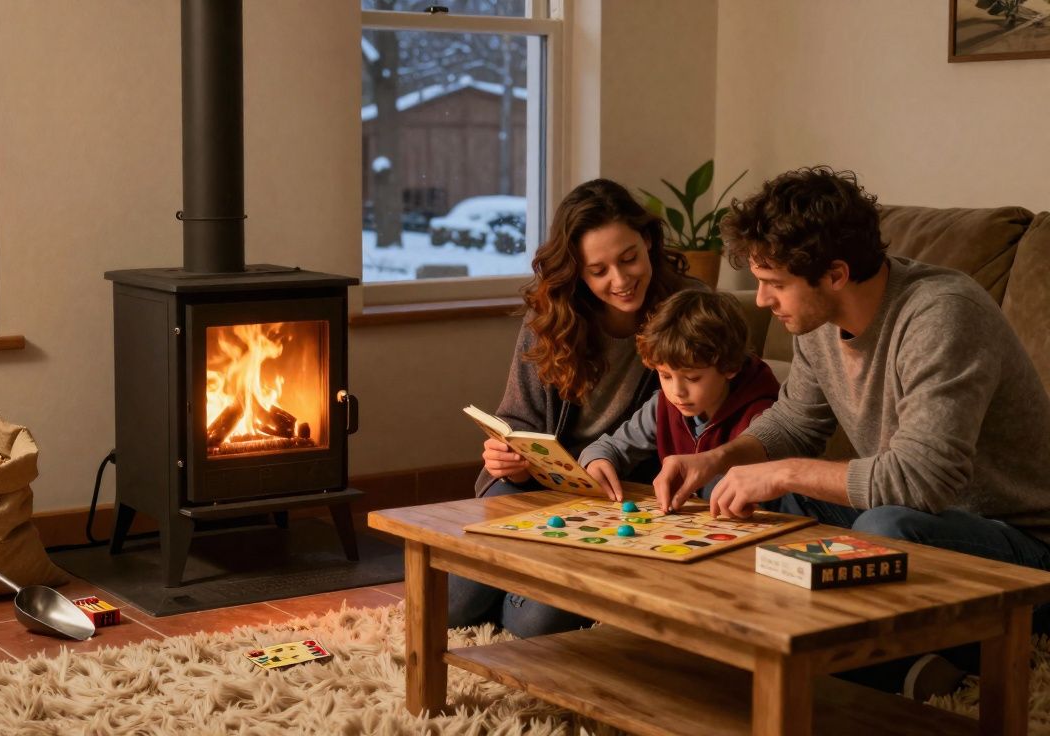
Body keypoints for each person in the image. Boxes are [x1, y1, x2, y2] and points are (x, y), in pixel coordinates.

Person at [653, 165, 1050, 699]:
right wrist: (719, 460)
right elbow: (795, 423)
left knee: (886, 526)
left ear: (835, 275)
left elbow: (922, 483)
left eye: (775, 284)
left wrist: (780, 473)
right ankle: (790, 642)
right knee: (730, 490)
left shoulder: (942, 315)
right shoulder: (817, 323)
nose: (763, 301)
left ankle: (898, 669)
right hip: (925, 517)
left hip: (1020, 543)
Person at [449, 178, 697, 638]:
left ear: (648, 242)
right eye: (599, 270)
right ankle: (521, 576)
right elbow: (518, 420)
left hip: (625, 498)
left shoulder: (686, 309)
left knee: (536, 623)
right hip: (539, 488)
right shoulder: (554, 316)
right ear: (577, 272)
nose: (620, 281)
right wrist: (508, 460)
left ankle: (524, 588)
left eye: (629, 259)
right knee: (452, 608)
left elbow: (704, 418)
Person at [578, 290, 779, 502]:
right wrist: (597, 460)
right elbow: (610, 447)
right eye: (665, 376)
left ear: (730, 367)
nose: (677, 392)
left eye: (692, 378)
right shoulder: (662, 406)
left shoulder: (762, 418)